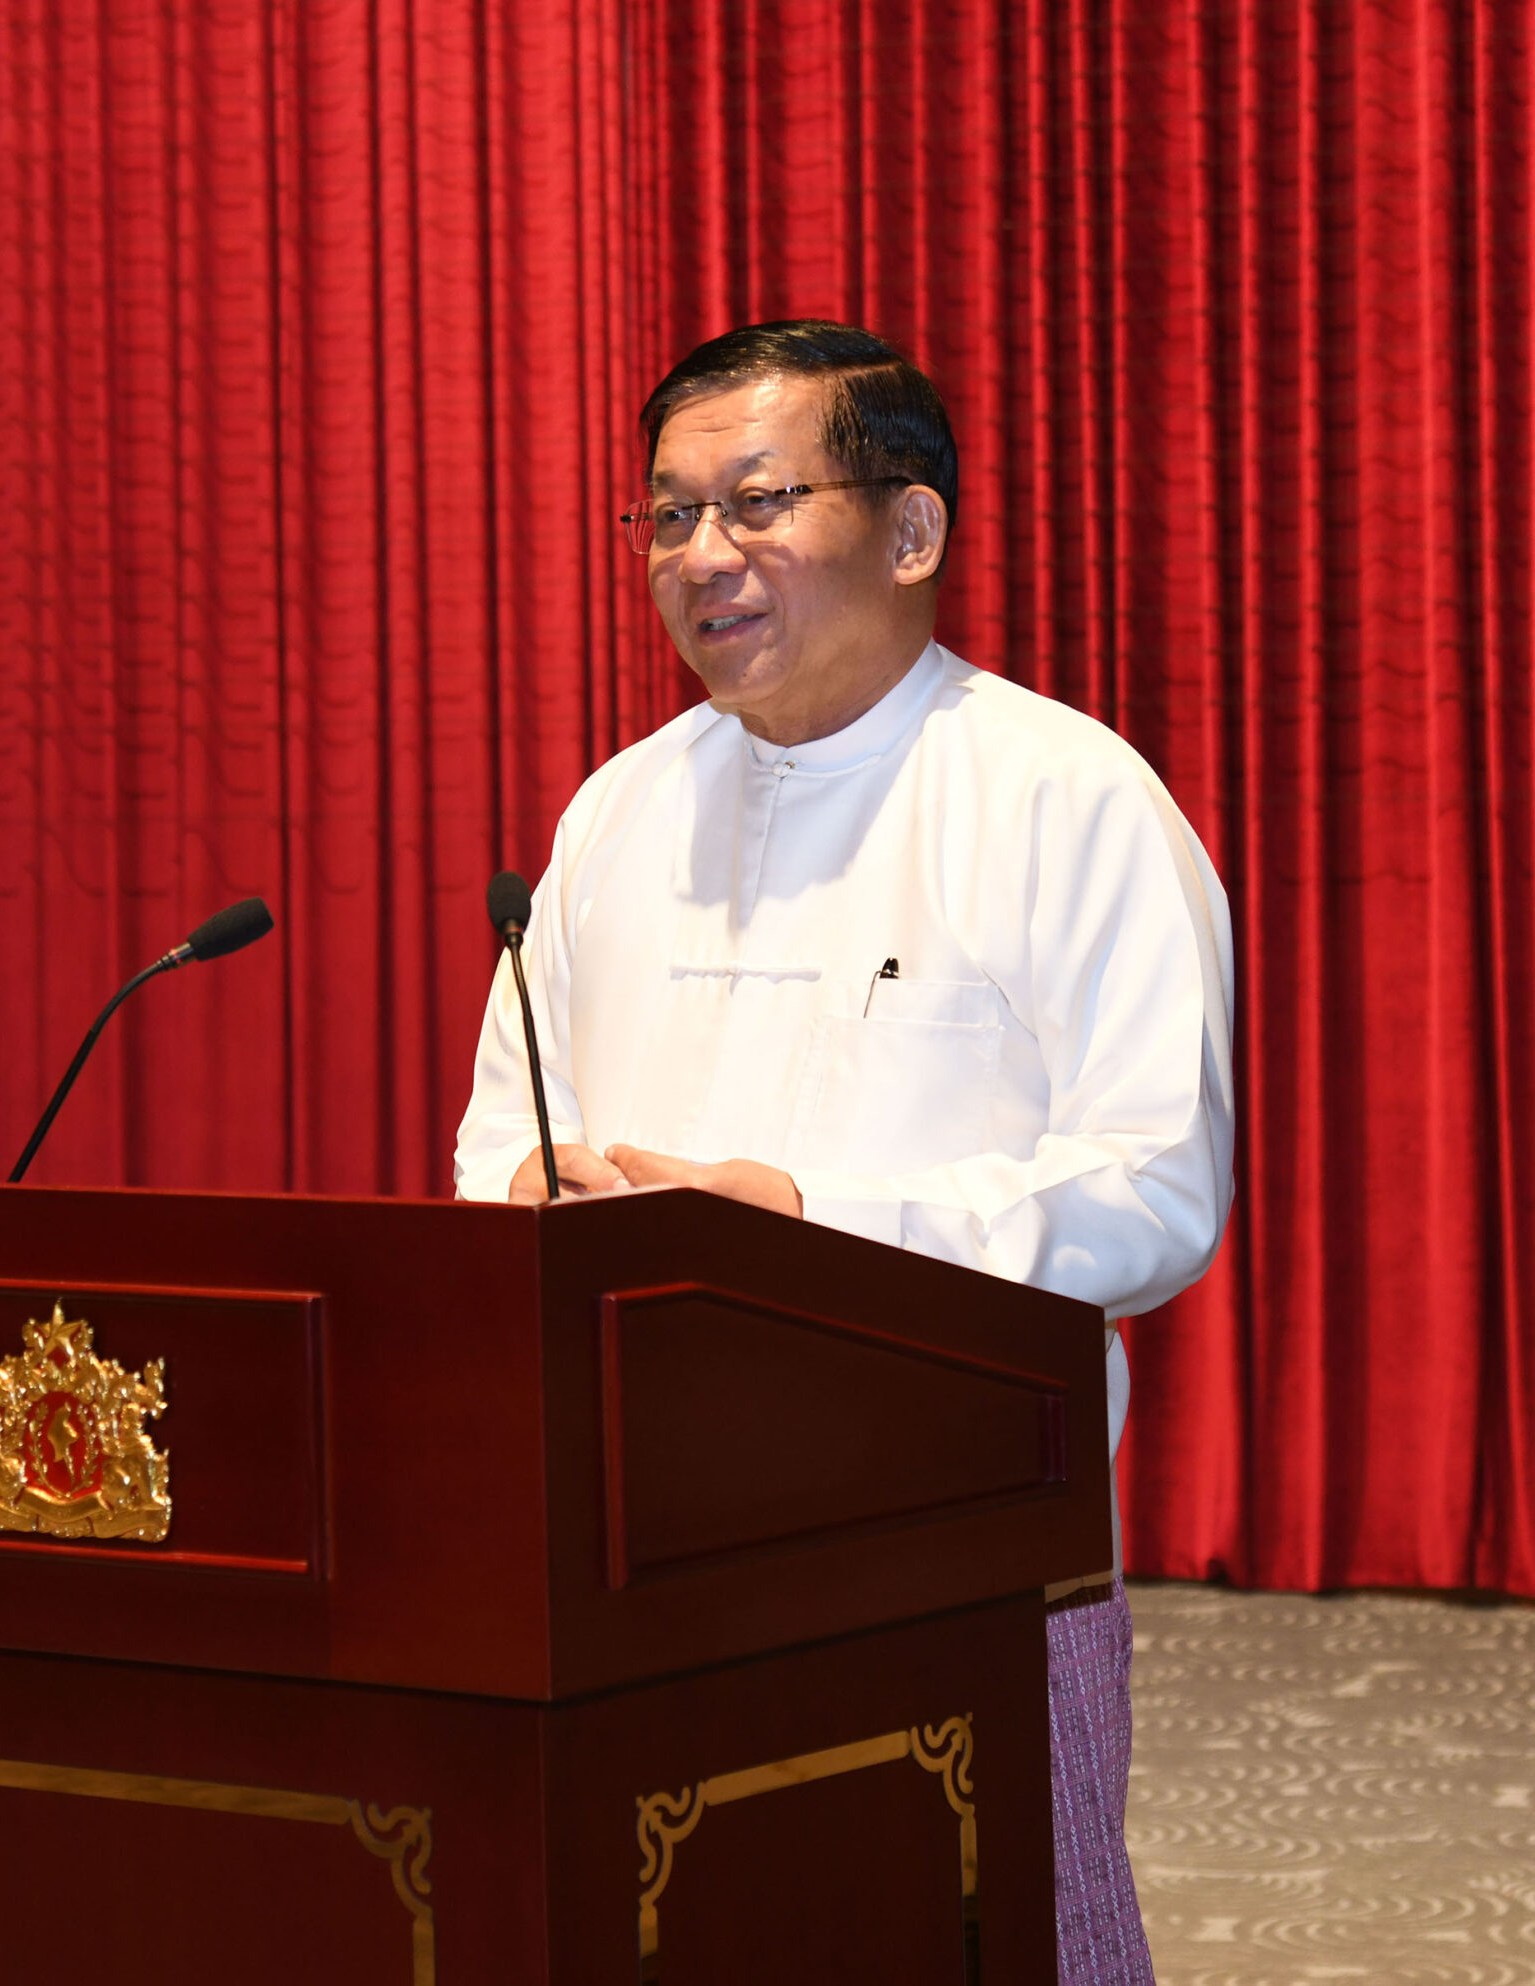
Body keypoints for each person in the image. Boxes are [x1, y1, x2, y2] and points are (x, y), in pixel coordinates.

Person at [452, 320, 1233, 1985]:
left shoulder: (1065, 799)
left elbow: (1156, 1185)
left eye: (756, 502)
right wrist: (530, 1197)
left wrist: (808, 1226)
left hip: (960, 1548)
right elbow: (505, 1134)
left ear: (911, 528)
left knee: (1004, 1938)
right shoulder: (616, 812)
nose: (698, 555)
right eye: (667, 514)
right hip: (637, 1548)